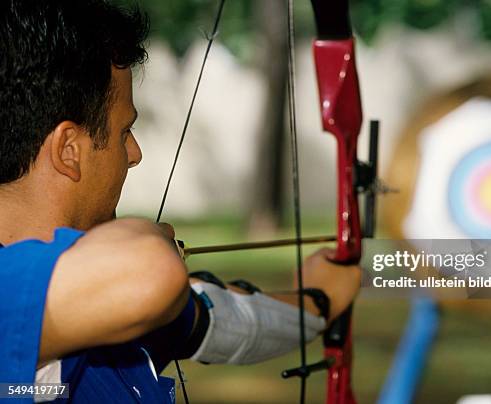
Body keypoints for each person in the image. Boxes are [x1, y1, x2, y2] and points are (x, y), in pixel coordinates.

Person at [0, 1, 362, 402]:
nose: (134, 153)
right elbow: (151, 273)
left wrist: (316, 300)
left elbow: (228, 322)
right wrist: (147, 245)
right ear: (69, 150)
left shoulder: (106, 309)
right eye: (125, 131)